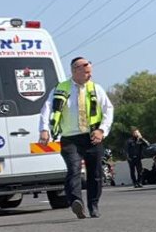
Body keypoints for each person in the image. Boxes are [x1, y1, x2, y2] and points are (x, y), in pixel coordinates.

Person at [39, 55, 114, 219]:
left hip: (92, 137)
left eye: (90, 72)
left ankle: (93, 205)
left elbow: (108, 110)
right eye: (86, 72)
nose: (89, 75)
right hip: (70, 138)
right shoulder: (61, 88)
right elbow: (47, 108)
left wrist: (102, 130)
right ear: (75, 70)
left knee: (95, 173)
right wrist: (44, 129)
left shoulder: (96, 88)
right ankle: (76, 202)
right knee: (73, 170)